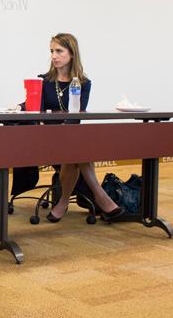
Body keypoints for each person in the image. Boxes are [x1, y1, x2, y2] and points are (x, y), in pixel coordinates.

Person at [30, 33, 123, 223]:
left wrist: (67, 129)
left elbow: (79, 114)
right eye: (51, 51)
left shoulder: (83, 83)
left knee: (75, 151)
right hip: (47, 139)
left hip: (70, 138)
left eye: (59, 51)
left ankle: (63, 202)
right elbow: (34, 109)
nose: (54, 56)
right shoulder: (44, 81)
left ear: (72, 54)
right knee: (79, 151)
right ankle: (101, 196)